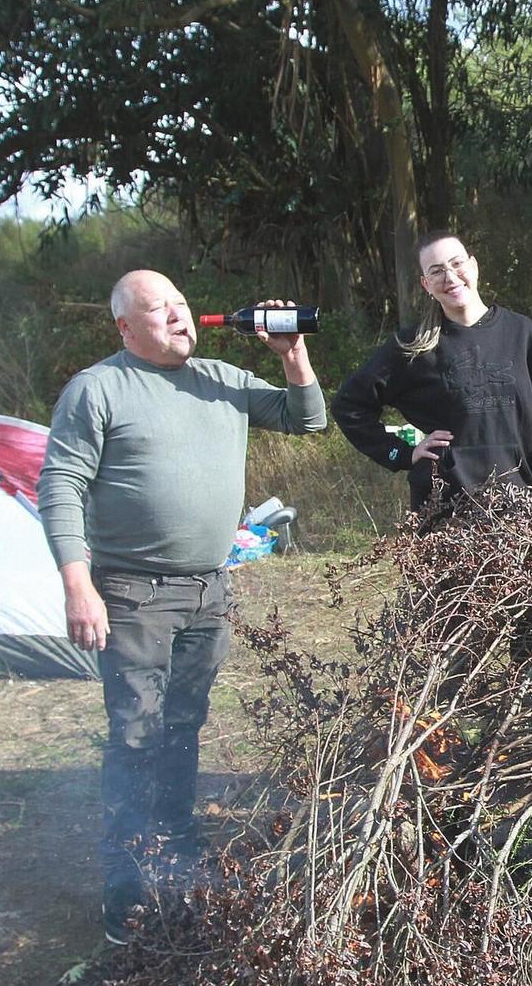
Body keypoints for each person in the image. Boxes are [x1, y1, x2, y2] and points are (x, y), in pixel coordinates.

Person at [38, 270, 327, 944]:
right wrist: (77, 584)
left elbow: (307, 418)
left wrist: (292, 355)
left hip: (208, 589)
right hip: (132, 593)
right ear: (125, 326)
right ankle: (128, 883)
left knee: (183, 725)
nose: (176, 315)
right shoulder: (99, 388)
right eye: (157, 308)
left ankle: (175, 851)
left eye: (181, 304)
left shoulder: (221, 379)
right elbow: (60, 486)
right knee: (137, 734)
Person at [333, 230, 532, 514]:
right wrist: (402, 454)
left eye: (457, 264)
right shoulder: (412, 346)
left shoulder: (521, 333)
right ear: (426, 284)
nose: (450, 277)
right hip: (443, 517)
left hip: (516, 511)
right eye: (437, 271)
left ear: (474, 266)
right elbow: (348, 405)